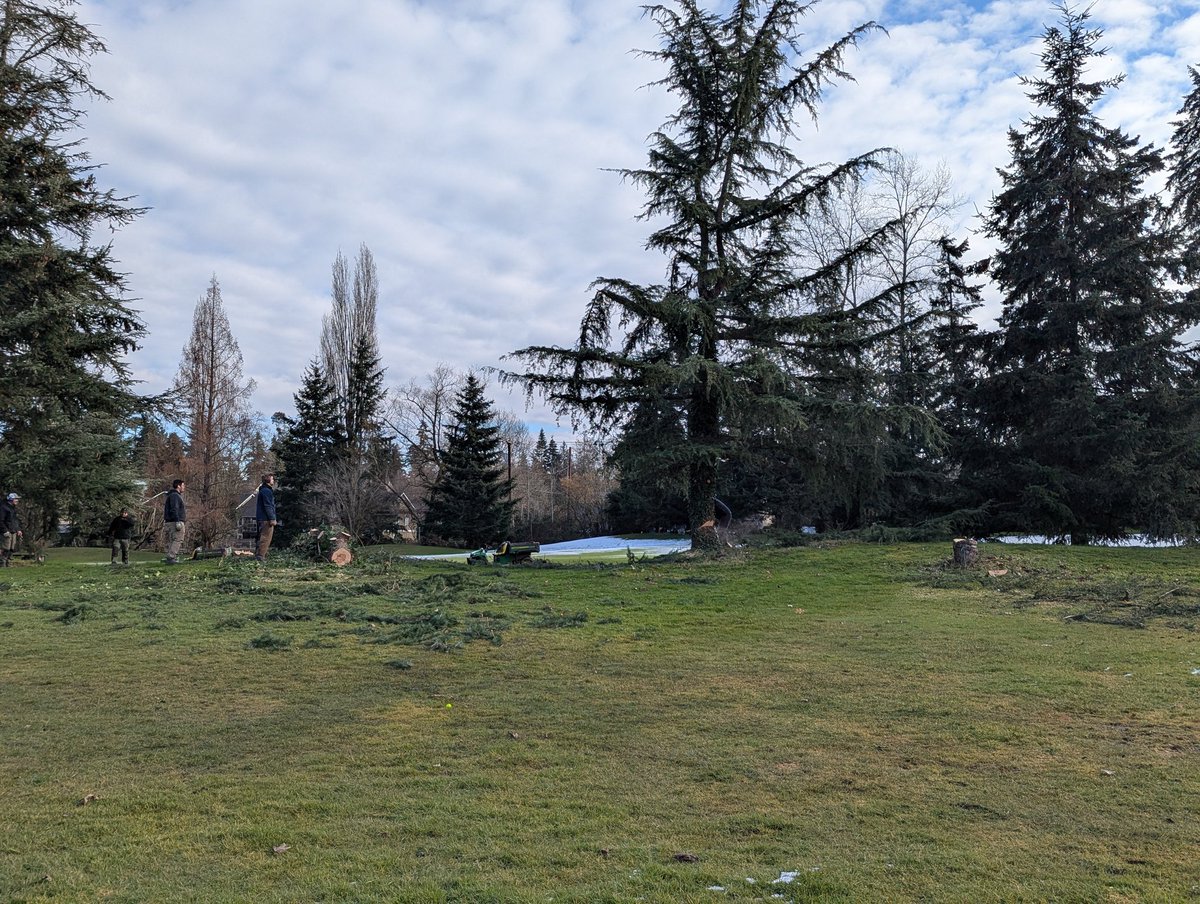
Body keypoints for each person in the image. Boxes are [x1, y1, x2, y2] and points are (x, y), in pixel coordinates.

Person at [254, 473, 277, 562]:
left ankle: (259, 555)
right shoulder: (266, 491)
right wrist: (272, 518)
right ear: (268, 480)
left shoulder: (263, 490)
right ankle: (260, 556)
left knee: (260, 537)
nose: (273, 480)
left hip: (261, 518)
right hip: (265, 519)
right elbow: (268, 505)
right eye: (272, 479)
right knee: (265, 538)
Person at [163, 479, 186, 564]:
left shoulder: (172, 495)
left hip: (171, 521)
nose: (184, 487)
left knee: (172, 540)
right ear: (178, 486)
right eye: (183, 485)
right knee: (178, 539)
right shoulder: (175, 496)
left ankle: (170, 557)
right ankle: (171, 557)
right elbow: (174, 509)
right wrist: (177, 521)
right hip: (175, 522)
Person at [0, 493, 22, 567]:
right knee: (5, 548)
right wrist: (5, 530)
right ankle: (2, 564)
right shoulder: (3, 508)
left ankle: (8, 563)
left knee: (11, 548)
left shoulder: (13, 509)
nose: (17, 500)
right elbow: (1, 521)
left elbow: (15, 521)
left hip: (13, 531)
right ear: (11, 499)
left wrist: (18, 529)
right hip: (6, 532)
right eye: (16, 499)